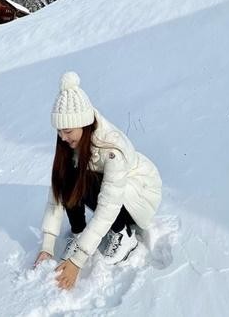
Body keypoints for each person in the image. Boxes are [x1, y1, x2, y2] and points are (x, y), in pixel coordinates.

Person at [33, 71, 162, 290]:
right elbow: (56, 197)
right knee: (69, 175)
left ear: (83, 124)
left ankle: (124, 234)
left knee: (90, 179)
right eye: (59, 132)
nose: (63, 138)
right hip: (113, 191)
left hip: (139, 193)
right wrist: (47, 246)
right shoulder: (73, 144)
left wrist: (77, 261)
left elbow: (108, 206)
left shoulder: (111, 148)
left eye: (67, 131)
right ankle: (78, 232)